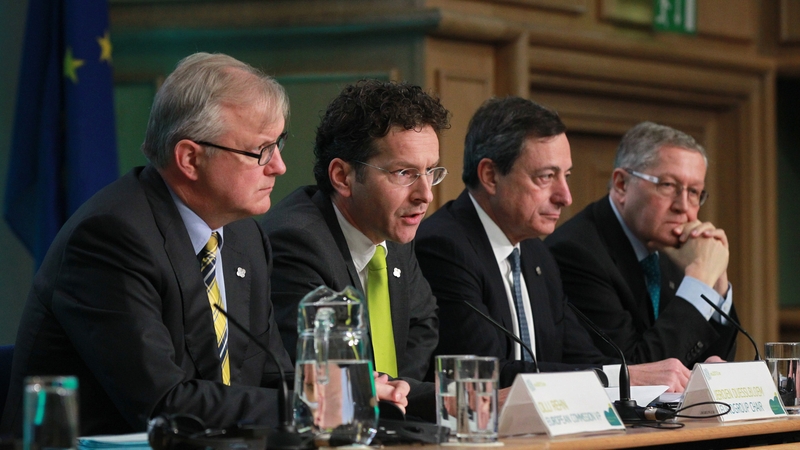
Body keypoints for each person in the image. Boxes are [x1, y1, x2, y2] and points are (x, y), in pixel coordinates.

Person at [0, 53, 407, 436]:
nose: (279, 166)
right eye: (261, 150)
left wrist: (339, 388)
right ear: (190, 159)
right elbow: (165, 404)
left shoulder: (243, 236)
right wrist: (318, 404)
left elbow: (269, 377)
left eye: (278, 145)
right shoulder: (110, 239)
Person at [416, 97, 690, 390]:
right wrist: (622, 377)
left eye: (566, 176)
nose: (565, 197)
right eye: (546, 177)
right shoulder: (444, 247)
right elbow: (482, 373)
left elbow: (581, 358)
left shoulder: (537, 255)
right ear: (490, 176)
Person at [261, 79, 449, 420]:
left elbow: (423, 323)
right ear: (342, 176)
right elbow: (324, 376)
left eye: (430, 172)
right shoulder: (296, 243)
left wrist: (398, 390)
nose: (426, 195)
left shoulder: (391, 229)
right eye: (405, 173)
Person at [545, 121, 737, 367]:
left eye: (694, 192)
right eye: (668, 185)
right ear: (622, 184)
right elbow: (634, 371)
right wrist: (699, 280)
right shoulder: (576, 253)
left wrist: (717, 283)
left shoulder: (676, 246)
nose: (684, 206)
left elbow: (715, 364)